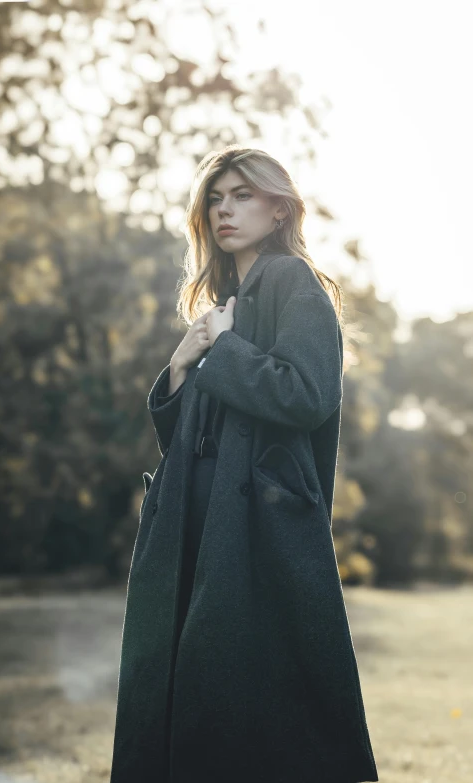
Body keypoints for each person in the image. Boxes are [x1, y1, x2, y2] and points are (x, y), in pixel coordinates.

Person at [110, 145, 379, 783]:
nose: (225, 210)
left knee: (251, 699)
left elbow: (306, 396)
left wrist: (223, 349)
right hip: (194, 521)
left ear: (279, 207)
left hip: (256, 528)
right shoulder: (228, 302)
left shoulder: (292, 282)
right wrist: (180, 366)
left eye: (242, 195)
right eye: (216, 198)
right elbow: (192, 437)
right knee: (188, 684)